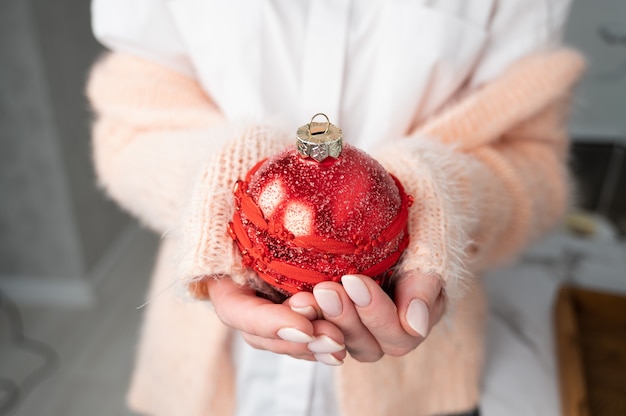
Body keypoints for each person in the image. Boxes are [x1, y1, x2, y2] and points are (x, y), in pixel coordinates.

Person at [87, 1, 584, 415]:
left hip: (419, 383)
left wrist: (440, 197)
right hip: (206, 372)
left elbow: (535, 162)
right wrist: (220, 183)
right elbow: (129, 126)